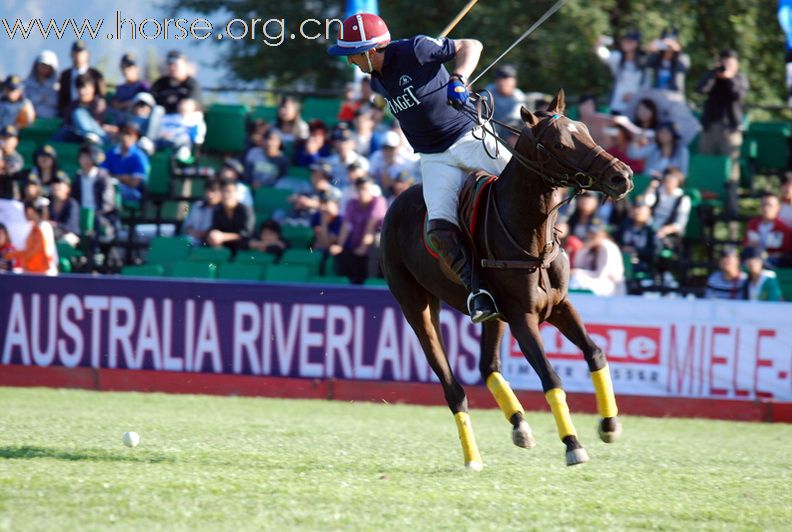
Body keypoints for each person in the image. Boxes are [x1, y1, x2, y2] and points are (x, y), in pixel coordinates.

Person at [328, 13, 507, 319]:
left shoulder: (417, 48)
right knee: (439, 229)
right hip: (433, 157)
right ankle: (478, 292)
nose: (350, 62)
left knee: (524, 182)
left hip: (468, 136)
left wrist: (458, 78)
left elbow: (471, 45)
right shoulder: (376, 82)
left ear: (371, 51)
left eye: (352, 55)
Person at [696, 49, 749, 182]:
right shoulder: (713, 76)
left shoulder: (740, 78)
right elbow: (701, 89)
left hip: (730, 128)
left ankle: (730, 195)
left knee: (731, 166)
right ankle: (706, 195)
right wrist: (714, 74)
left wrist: (729, 78)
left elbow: (738, 95)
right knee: (706, 163)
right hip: (709, 126)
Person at [329, 176, 387, 284]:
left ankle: (371, 280)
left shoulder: (378, 201)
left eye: (365, 189)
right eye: (359, 188)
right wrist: (340, 246)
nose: (362, 192)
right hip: (356, 243)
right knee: (339, 252)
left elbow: (371, 226)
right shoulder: (352, 203)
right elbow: (346, 226)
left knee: (375, 242)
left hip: (374, 245)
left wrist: (363, 247)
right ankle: (344, 283)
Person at [72, 144, 118, 241]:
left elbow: (108, 204)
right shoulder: (78, 177)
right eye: (83, 157)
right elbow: (74, 199)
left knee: (95, 225)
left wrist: (93, 215)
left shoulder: (103, 177)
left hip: (100, 216)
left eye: (88, 157)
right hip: (81, 214)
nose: (85, 161)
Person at [568, 220, 626, 296]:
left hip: (612, 286)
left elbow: (601, 275)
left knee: (577, 278)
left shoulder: (607, 247)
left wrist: (577, 272)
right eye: (590, 232)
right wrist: (584, 248)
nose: (591, 235)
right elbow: (578, 264)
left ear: (603, 234)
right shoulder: (590, 247)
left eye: (595, 233)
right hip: (596, 282)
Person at [595, 31, 644, 115]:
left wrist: (634, 96)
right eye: (625, 41)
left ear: (637, 44)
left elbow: (646, 85)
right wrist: (599, 44)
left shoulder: (643, 62)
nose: (627, 43)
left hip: (636, 107)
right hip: (617, 106)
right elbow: (604, 55)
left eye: (630, 41)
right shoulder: (617, 57)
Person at [642, 166, 691, 251]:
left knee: (655, 240)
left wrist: (664, 230)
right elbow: (644, 203)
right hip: (650, 226)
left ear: (677, 182)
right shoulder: (658, 192)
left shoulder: (683, 199)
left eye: (671, 180)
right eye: (666, 179)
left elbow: (680, 224)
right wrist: (651, 187)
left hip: (667, 234)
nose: (668, 182)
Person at [3, 201, 58, 275]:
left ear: (30, 211)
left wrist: (15, 255)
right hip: (34, 272)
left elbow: (37, 251)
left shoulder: (43, 227)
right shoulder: (34, 228)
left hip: (44, 273)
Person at [102, 122, 150, 206]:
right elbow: (102, 176)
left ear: (136, 137)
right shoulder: (110, 153)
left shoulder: (139, 157)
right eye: (123, 133)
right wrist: (125, 178)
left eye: (129, 134)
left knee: (109, 191)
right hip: (109, 187)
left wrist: (113, 177)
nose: (125, 137)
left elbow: (134, 183)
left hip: (133, 193)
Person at [57, 73, 112, 144]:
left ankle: (93, 138)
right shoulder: (72, 105)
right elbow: (67, 124)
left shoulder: (98, 103)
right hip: (76, 135)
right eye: (79, 88)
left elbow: (99, 124)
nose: (82, 91)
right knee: (62, 133)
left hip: (98, 135)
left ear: (92, 88)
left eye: (85, 87)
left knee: (78, 113)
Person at [57, 40, 106, 118]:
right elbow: (62, 98)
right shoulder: (65, 75)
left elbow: (101, 95)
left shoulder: (96, 74)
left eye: (81, 52)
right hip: (69, 113)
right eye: (76, 52)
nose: (78, 55)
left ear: (87, 54)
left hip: (91, 114)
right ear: (71, 54)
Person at [206, 178, 255, 254]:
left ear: (236, 193)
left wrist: (223, 237)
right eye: (223, 191)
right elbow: (215, 229)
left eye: (229, 191)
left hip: (244, 246)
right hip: (223, 246)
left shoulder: (245, 210)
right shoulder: (218, 210)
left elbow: (247, 234)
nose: (226, 195)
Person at [743, 193, 792, 267]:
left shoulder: (784, 229)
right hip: (753, 259)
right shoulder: (753, 224)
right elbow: (746, 243)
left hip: (774, 263)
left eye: (770, 205)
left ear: (778, 208)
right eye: (763, 205)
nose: (766, 208)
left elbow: (786, 251)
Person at [370, 130, 419, 196]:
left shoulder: (405, 159)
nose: (388, 151)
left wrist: (393, 183)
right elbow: (371, 177)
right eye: (385, 147)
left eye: (391, 148)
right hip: (382, 193)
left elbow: (408, 181)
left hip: (401, 193)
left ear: (397, 148)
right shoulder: (376, 157)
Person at [642, 29, 690, 96]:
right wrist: (651, 48)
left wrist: (677, 50)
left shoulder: (680, 60)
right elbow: (644, 63)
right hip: (654, 94)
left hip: (671, 96)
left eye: (672, 42)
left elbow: (684, 69)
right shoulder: (655, 58)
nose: (668, 46)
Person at [615, 203, 656, 277]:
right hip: (621, 258)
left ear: (648, 212)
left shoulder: (651, 230)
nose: (637, 212)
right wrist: (622, 248)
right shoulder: (624, 225)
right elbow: (615, 241)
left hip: (641, 262)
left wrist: (636, 251)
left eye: (641, 210)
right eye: (636, 209)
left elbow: (654, 251)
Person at [484, 65, 526, 137]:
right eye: (499, 79)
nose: (502, 82)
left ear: (514, 82)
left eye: (506, 79)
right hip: (488, 133)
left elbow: (515, 120)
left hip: (509, 134)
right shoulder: (488, 92)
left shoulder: (518, 96)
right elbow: (477, 110)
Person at [181, 179, 221, 246]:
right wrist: (194, 233)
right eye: (207, 191)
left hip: (209, 245)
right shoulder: (197, 205)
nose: (210, 195)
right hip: (190, 241)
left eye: (214, 191)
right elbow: (187, 226)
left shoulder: (223, 211)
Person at [23, 50, 60, 120]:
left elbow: (57, 102)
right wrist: (39, 98)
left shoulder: (57, 86)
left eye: (47, 66)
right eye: (42, 65)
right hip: (30, 121)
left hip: (52, 121)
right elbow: (24, 101)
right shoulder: (28, 84)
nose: (44, 68)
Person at [48, 174, 80, 244]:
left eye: (59, 183)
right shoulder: (48, 203)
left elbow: (70, 226)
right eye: (53, 183)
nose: (55, 186)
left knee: (66, 240)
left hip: (69, 235)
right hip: (52, 234)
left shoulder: (72, 203)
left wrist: (54, 225)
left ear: (68, 188)